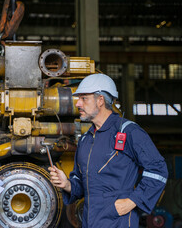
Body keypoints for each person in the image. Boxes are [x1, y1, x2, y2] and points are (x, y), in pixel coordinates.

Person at [48, 74, 168, 227]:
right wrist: (67, 184)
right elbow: (81, 182)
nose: (77, 103)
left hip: (118, 220)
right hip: (89, 220)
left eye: (84, 98)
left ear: (100, 101)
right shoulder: (86, 140)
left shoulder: (128, 132)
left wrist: (132, 201)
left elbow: (158, 170)